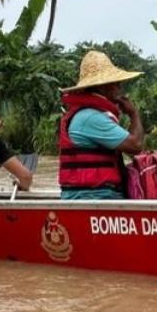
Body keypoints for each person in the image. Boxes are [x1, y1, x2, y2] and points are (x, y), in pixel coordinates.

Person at [58, 51, 145, 200]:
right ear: (104, 87)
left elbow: (131, 149)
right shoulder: (92, 118)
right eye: (117, 84)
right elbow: (135, 145)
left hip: (98, 193)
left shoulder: (94, 115)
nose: (120, 89)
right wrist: (134, 114)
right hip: (92, 196)